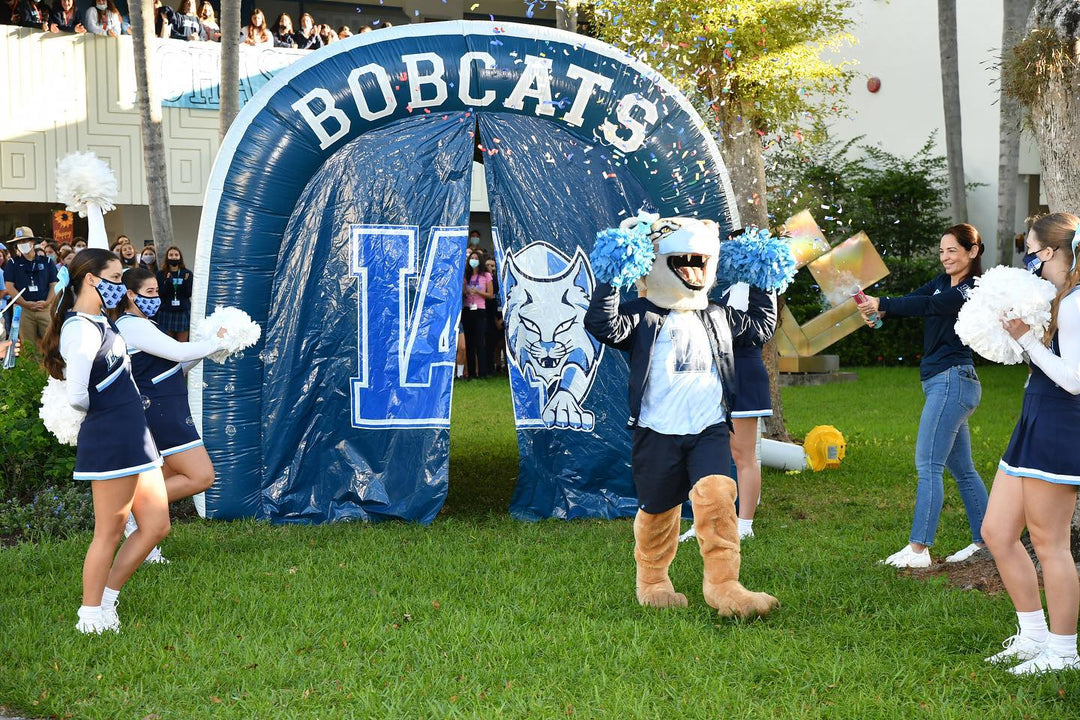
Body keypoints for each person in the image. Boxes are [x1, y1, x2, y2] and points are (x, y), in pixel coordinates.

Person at [39, 248, 170, 634]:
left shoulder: (99, 320)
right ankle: (90, 615)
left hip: (135, 436)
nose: (122, 288)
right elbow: (78, 393)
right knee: (109, 532)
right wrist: (106, 414)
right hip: (114, 438)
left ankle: (109, 599)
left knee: (157, 525)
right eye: (115, 279)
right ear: (92, 280)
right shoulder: (80, 327)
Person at [980, 212, 1080, 675]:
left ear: (1055, 252)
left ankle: (1062, 653)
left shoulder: (1077, 302)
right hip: (1034, 418)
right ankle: (1033, 636)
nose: (1031, 261)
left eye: (1034, 252)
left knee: (1050, 543)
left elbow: (1075, 381)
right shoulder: (1059, 300)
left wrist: (1029, 341)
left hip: (1062, 425)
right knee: (997, 532)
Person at [856, 224, 989, 568]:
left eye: (952, 251)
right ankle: (986, 543)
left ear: (972, 252)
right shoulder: (943, 282)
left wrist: (882, 302)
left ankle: (918, 550)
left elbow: (932, 306)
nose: (945, 257)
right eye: (942, 251)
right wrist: (877, 310)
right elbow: (915, 300)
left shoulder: (974, 287)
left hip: (953, 381)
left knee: (928, 465)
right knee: (963, 470)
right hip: (942, 383)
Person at [114, 268, 226, 563]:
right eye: (149, 293)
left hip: (170, 404)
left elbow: (175, 367)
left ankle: (142, 536)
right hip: (161, 410)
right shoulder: (130, 324)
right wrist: (218, 341)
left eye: (156, 292)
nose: (156, 298)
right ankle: (131, 508)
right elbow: (176, 352)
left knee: (163, 478)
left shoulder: (145, 324)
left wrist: (210, 347)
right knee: (201, 476)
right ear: (129, 295)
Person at [3, 227, 58, 353]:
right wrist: (25, 303)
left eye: (25, 241)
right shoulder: (12, 263)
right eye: (19, 242)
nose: (22, 245)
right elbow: (9, 286)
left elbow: (53, 284)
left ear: (32, 242)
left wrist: (48, 302)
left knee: (51, 343)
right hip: (23, 309)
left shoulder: (47, 261)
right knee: (28, 346)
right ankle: (32, 372)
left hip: (45, 307)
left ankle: (52, 371)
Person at [462, 249, 493, 380]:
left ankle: (483, 372)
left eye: (475, 258)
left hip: (480, 310)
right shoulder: (466, 276)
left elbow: (490, 294)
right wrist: (466, 292)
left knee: (480, 342)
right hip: (468, 310)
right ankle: (471, 373)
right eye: (471, 258)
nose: (473, 260)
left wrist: (478, 292)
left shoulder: (486, 276)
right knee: (469, 343)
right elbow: (462, 292)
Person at [156, 246, 192, 341]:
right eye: (171, 255)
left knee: (182, 344)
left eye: (176, 255)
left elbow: (189, 293)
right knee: (168, 343)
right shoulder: (160, 274)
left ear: (180, 257)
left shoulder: (187, 274)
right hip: (166, 311)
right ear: (167, 258)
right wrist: (168, 281)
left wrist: (185, 282)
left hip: (182, 311)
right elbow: (161, 293)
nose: (174, 257)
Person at [483, 257, 505, 375]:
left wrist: (502, 319)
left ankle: (505, 368)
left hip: (504, 317)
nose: (491, 268)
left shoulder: (501, 280)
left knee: (504, 344)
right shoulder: (484, 281)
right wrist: (495, 320)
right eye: (488, 265)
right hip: (490, 317)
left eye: (493, 265)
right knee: (492, 344)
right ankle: (493, 367)